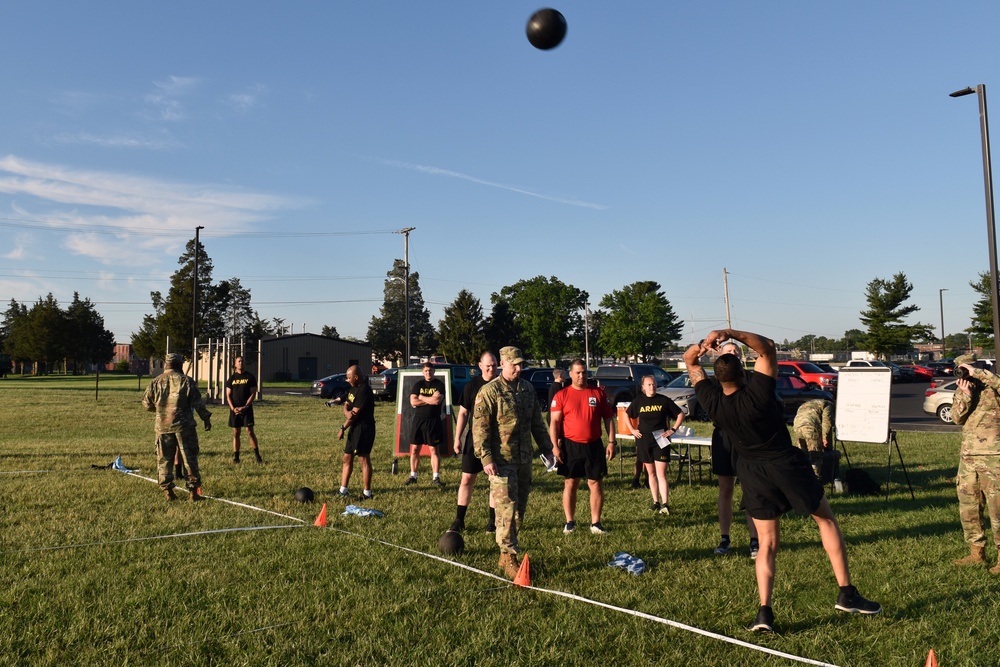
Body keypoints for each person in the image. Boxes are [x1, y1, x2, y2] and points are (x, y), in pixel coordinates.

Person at [686, 328, 880, 632]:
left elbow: (690, 361)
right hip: (784, 463)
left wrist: (703, 346)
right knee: (826, 521)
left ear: (717, 378)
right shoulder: (758, 393)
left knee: (767, 543)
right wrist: (726, 333)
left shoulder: (711, 401)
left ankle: (764, 612)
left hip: (751, 470)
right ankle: (846, 593)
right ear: (743, 371)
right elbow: (768, 348)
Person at [473, 346, 554, 578]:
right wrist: (486, 457)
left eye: (520, 365)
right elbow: (480, 429)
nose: (518, 369)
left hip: (524, 458)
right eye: (514, 365)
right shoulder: (489, 392)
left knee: (519, 510)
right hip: (501, 460)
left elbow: (537, 423)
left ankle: (504, 552)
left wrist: (547, 449)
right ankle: (509, 556)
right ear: (502, 364)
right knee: (506, 508)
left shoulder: (527, 389)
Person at [549, 359, 616, 535]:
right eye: (578, 372)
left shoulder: (598, 393)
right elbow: (554, 423)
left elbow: (608, 418)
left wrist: (611, 442)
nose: (581, 376)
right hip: (571, 445)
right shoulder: (561, 395)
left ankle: (596, 523)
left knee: (595, 483)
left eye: (584, 372)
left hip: (593, 445)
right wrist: (555, 446)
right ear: (570, 374)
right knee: (571, 483)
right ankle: (570, 522)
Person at [950, 353, 1000, 573]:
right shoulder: (962, 390)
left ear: (977, 366)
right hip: (969, 458)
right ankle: (976, 553)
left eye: (967, 368)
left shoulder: (993, 386)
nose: (965, 372)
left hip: (994, 456)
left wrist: (980, 375)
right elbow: (956, 418)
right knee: (969, 508)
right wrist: (966, 394)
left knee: (997, 509)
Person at [142, 353, 212, 502]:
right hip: (184, 427)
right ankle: (193, 492)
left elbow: (146, 405)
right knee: (189, 459)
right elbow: (198, 404)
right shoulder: (186, 381)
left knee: (164, 460)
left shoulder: (155, 382)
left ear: (166, 364)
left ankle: (168, 492)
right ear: (180, 365)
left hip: (162, 427)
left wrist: (162, 409)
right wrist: (206, 418)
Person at [711, 341, 759, 558]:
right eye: (727, 351)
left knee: (750, 489)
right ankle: (725, 537)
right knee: (726, 488)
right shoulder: (715, 382)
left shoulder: (749, 380)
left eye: (735, 351)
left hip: (745, 438)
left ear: (741, 357)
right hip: (723, 438)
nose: (732, 354)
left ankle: (755, 539)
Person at [450, 351, 499, 533]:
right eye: (488, 365)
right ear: (480, 366)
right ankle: (459, 520)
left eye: (494, 365)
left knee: (494, 480)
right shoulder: (471, 386)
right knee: (467, 479)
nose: (491, 368)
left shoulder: (502, 385)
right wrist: (457, 438)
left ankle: (492, 522)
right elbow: (463, 413)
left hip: (495, 440)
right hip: (474, 439)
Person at [625, 375, 684, 514]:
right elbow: (627, 414)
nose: (652, 387)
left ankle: (665, 504)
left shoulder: (663, 400)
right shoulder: (639, 401)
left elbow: (680, 414)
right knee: (651, 473)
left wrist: (673, 429)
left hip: (661, 438)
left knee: (661, 473)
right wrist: (632, 430)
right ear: (643, 387)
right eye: (649, 385)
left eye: (654, 384)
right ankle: (655, 502)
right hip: (644, 439)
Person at [335, 365, 375, 500]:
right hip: (354, 428)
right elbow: (347, 403)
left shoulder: (364, 390)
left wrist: (344, 413)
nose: (348, 380)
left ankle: (367, 493)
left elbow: (351, 415)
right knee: (347, 457)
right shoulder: (353, 388)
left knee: (363, 459)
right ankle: (343, 490)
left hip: (364, 428)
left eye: (349, 378)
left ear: (356, 377)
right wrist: (343, 428)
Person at [406, 362, 447, 487]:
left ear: (434, 371)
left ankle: (436, 478)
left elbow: (437, 401)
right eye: (425, 371)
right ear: (422, 372)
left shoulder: (439, 384)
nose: (428, 373)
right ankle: (413, 475)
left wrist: (422, 397)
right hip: (419, 420)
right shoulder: (418, 384)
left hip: (433, 420)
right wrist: (429, 399)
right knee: (414, 449)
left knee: (434, 450)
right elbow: (413, 401)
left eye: (430, 370)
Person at [225, 355, 261, 464]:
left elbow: (253, 393)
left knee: (249, 432)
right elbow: (228, 395)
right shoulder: (232, 378)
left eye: (242, 361)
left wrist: (245, 406)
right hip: (235, 409)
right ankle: (236, 457)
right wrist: (233, 408)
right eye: (239, 361)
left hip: (246, 409)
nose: (241, 363)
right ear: (235, 364)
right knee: (236, 433)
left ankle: (257, 455)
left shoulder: (250, 377)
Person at [792, 398, 834, 479]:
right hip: (810, 428)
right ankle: (815, 480)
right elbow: (827, 423)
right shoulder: (827, 405)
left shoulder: (807, 404)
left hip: (797, 427)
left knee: (802, 455)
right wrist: (825, 439)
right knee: (815, 456)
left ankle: (802, 477)